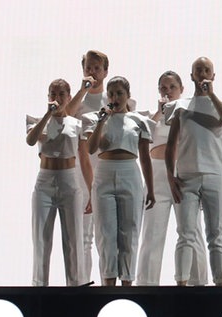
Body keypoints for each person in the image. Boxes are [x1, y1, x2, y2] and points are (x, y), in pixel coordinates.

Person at [165, 57, 222, 286]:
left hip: (215, 175)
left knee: (216, 234)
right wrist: (170, 176)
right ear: (192, 76)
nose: (203, 73)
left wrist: (212, 95)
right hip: (187, 177)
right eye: (198, 70)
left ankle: (220, 284)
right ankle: (181, 283)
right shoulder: (181, 105)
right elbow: (171, 144)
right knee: (185, 233)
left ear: (213, 75)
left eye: (207, 70)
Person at [137, 71, 208, 286]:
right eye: (163, 88)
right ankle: (147, 285)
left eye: (172, 87)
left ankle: (198, 283)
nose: (167, 92)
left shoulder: (188, 113)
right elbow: (142, 135)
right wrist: (159, 114)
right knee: (152, 233)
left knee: (191, 230)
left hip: (182, 173)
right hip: (157, 175)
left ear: (181, 89)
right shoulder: (151, 117)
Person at [85, 76, 155, 286]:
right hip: (104, 173)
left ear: (128, 96)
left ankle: (127, 285)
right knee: (105, 233)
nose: (115, 98)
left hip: (129, 173)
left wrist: (150, 189)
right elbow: (90, 148)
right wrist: (101, 121)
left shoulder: (138, 120)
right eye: (112, 93)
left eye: (119, 93)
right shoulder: (96, 118)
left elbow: (145, 157)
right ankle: (108, 285)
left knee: (130, 231)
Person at [26, 79, 85, 286]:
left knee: (73, 238)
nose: (57, 98)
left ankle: (76, 286)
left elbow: (84, 157)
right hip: (45, 180)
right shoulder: (37, 120)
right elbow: (32, 140)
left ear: (69, 97)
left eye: (61, 94)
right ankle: (39, 287)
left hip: (69, 179)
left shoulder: (77, 123)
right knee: (41, 238)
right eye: (53, 93)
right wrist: (48, 114)